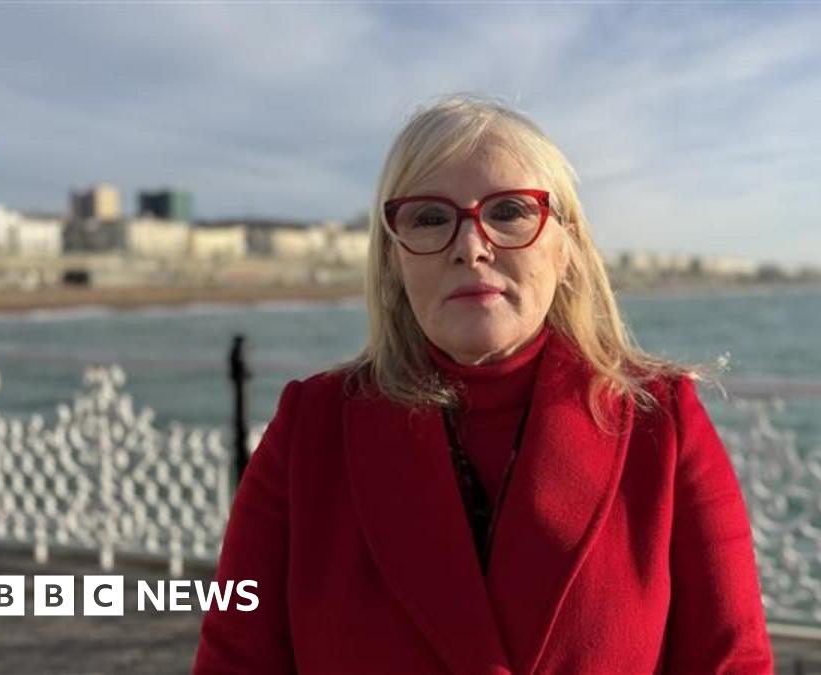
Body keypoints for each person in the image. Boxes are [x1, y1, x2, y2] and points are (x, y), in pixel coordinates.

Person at [193, 94, 774, 674]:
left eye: (509, 212)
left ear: (567, 246)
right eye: (430, 218)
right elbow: (234, 659)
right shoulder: (311, 427)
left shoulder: (658, 420)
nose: (470, 247)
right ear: (394, 258)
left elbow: (731, 662)